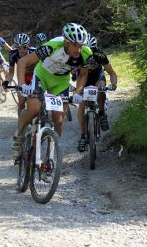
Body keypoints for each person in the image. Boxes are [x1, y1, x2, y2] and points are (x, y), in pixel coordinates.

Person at [12, 23, 93, 156]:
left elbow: (83, 74)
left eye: (81, 45)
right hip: (42, 75)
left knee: (58, 120)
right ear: (66, 41)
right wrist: (22, 85)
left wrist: (78, 91)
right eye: (74, 45)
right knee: (34, 108)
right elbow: (23, 62)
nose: (78, 49)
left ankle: (51, 155)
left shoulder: (86, 53)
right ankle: (19, 135)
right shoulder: (52, 46)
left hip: (60, 82)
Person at [77, 33, 118, 152]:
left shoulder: (100, 54)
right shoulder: (77, 55)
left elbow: (112, 73)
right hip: (82, 78)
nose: (89, 53)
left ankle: (101, 113)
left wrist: (113, 85)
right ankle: (83, 136)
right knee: (81, 105)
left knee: (101, 90)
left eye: (92, 50)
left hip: (97, 78)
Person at [2, 33, 36, 116]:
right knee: (21, 102)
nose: (21, 50)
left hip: (35, 76)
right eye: (18, 47)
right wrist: (6, 82)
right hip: (23, 77)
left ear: (28, 46)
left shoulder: (34, 51)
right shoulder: (13, 54)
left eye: (24, 47)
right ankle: (20, 126)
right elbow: (11, 73)